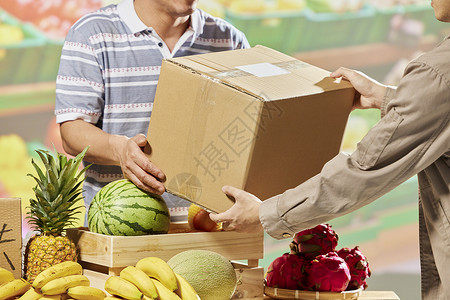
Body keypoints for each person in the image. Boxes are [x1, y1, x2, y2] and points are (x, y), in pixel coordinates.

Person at [210, 1, 450, 299]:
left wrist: (265, 213)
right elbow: (440, 109)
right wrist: (386, 97)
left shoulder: (439, 70)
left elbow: (364, 170)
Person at [55, 0, 250, 219]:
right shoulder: (92, 33)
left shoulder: (230, 40)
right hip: (123, 226)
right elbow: (72, 134)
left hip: (210, 228)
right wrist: (119, 150)